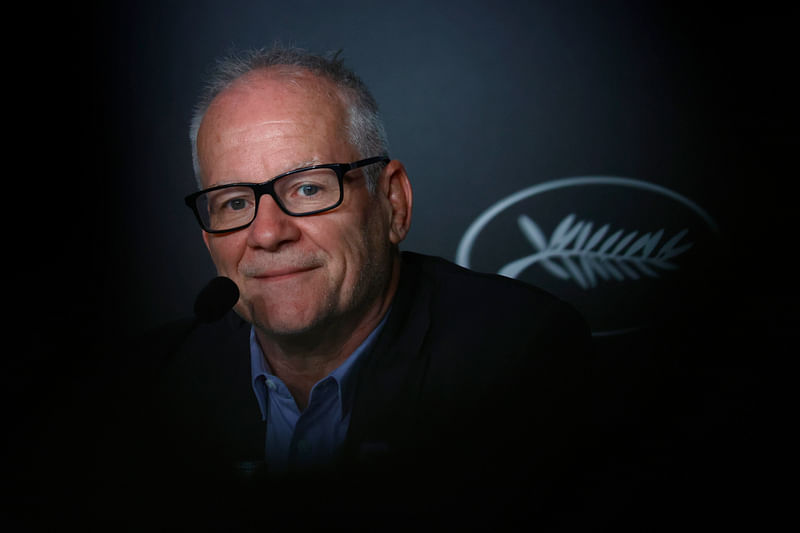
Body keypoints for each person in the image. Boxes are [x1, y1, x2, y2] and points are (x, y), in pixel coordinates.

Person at [95, 46, 596, 528]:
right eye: (234, 202)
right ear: (208, 239)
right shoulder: (146, 389)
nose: (267, 233)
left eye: (309, 187)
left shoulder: (518, 360)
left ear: (392, 204)